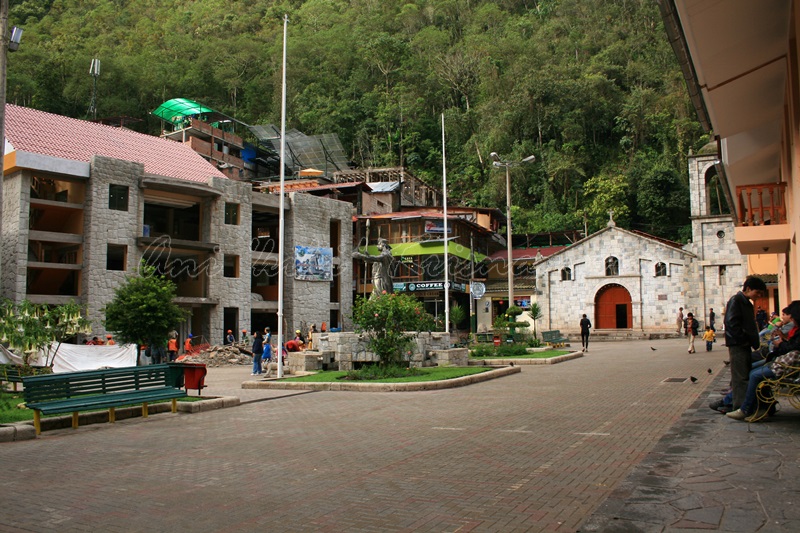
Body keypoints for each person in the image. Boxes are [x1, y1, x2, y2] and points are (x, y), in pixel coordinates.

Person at [724, 276, 767, 410]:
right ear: (748, 289)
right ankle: (740, 407)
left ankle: (740, 404)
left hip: (744, 344)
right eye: (757, 292)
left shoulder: (746, 302)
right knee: (740, 378)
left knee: (743, 375)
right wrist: (743, 340)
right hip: (738, 345)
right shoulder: (736, 300)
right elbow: (731, 323)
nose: (759, 296)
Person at [726, 348, 800, 422]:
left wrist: (780, 344)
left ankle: (745, 408)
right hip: (780, 360)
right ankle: (761, 406)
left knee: (754, 375)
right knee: (751, 371)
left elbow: (791, 347)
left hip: (786, 363)